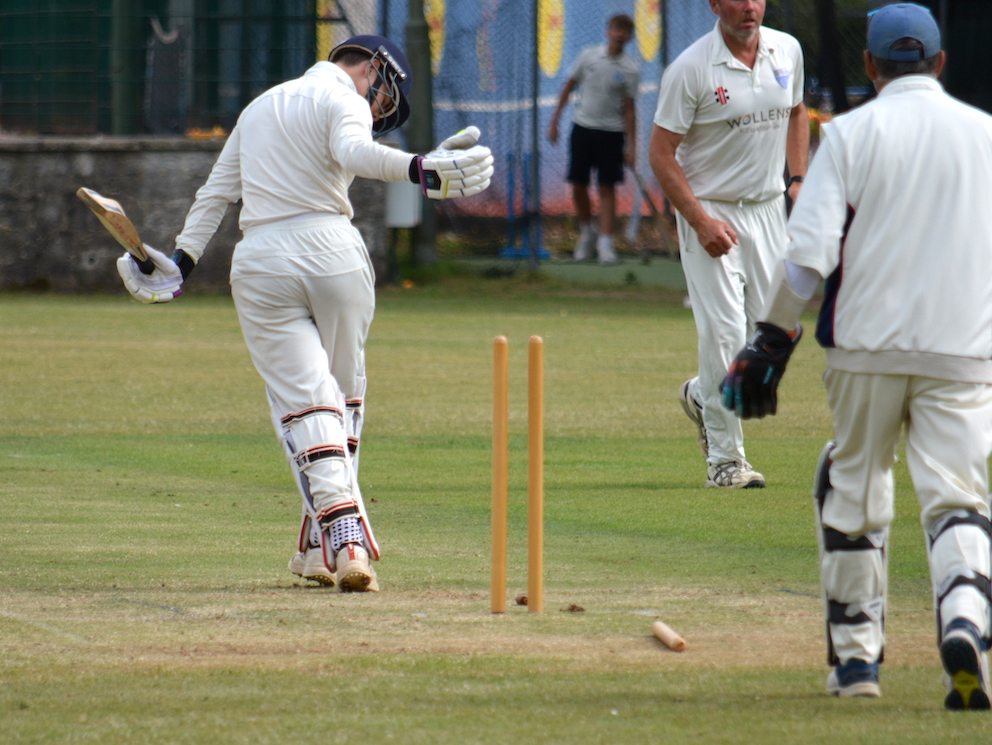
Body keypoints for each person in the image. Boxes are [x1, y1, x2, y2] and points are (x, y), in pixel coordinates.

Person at [115, 35, 493, 593]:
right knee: (337, 400)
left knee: (306, 402)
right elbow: (355, 154)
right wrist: (421, 168)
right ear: (370, 67)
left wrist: (180, 262)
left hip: (262, 260)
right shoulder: (342, 96)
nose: (377, 110)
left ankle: (329, 540)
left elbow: (216, 193)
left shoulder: (260, 105)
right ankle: (343, 539)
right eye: (383, 97)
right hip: (333, 252)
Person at [719, 3, 992, 708]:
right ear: (939, 62)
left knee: (852, 489)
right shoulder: (984, 135)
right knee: (958, 498)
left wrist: (769, 342)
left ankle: (857, 662)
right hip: (962, 352)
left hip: (867, 349)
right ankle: (966, 620)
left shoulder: (851, 134)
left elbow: (806, 257)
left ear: (870, 66)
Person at [648, 0, 808, 489]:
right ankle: (726, 461)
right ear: (715, 4)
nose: (748, 6)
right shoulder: (692, 69)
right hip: (710, 209)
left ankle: (702, 394)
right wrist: (698, 219)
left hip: (767, 209)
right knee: (722, 334)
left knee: (770, 334)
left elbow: (797, 111)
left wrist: (798, 180)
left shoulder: (788, 50)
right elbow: (660, 153)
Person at [548, 14, 639, 264]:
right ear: (608, 31)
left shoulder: (631, 69)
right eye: (616, 29)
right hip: (583, 128)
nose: (619, 34)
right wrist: (555, 120)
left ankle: (606, 245)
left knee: (607, 187)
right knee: (578, 185)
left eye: (625, 31)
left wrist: (632, 147)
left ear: (629, 37)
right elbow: (568, 85)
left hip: (612, 133)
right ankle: (588, 233)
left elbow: (630, 110)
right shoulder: (589, 56)